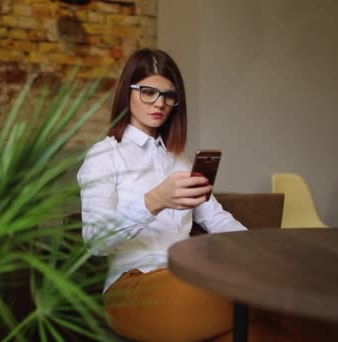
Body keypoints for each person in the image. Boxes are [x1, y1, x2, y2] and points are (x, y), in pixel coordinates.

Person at [77, 48, 296, 342]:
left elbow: (216, 219)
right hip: (133, 287)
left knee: (276, 330)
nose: (160, 103)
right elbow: (95, 240)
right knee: (284, 299)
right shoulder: (105, 155)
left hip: (185, 276)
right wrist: (154, 200)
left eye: (168, 95)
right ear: (127, 91)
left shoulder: (178, 160)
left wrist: (258, 251)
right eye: (148, 92)